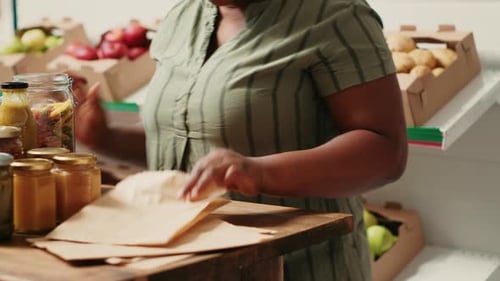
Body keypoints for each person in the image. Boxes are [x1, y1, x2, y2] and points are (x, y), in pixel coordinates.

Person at [74, 0, 408, 280]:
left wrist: (259, 172)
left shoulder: (335, 14)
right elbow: (190, 142)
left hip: (299, 267)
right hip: (187, 266)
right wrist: (105, 138)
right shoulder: (184, 17)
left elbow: (385, 151)